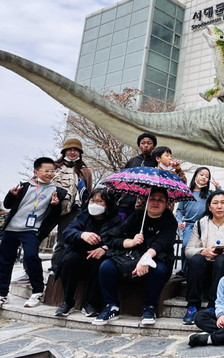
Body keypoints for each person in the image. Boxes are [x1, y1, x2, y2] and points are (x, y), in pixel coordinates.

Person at [93, 187, 176, 326]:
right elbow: (114, 238)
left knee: (159, 271)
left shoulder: (169, 221)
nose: (155, 202)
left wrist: (146, 259)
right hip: (129, 259)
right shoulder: (137, 216)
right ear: (146, 200)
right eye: (152, 199)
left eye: (160, 200)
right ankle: (112, 306)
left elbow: (161, 244)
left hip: (157, 259)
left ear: (166, 203)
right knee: (106, 267)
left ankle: (149, 307)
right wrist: (130, 242)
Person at [0, 157, 66, 308]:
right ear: (36, 172)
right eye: (46, 171)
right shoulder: (23, 187)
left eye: (52, 171)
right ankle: (2, 293)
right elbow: (8, 205)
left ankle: (37, 291)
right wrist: (11, 195)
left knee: (31, 257)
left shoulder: (56, 191)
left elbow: (55, 215)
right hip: (12, 228)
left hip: (31, 230)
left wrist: (55, 205)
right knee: (5, 261)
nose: (50, 174)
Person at [183, 190, 224, 325]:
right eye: (215, 203)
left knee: (222, 259)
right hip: (204, 272)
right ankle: (193, 306)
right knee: (196, 259)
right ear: (209, 207)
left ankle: (213, 305)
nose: (219, 206)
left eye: (223, 203)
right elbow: (188, 251)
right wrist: (203, 251)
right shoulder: (201, 224)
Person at [55, 188, 122, 317]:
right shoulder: (83, 216)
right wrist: (82, 234)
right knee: (69, 261)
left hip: (100, 255)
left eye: (99, 201)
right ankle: (67, 301)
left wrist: (104, 248)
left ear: (108, 204)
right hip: (79, 253)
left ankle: (90, 303)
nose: (95, 204)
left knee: (101, 265)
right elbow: (68, 232)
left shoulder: (116, 220)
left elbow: (117, 240)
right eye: (93, 200)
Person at [50, 138, 93, 274]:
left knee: (63, 240)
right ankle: (29, 271)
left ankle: (56, 268)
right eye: (70, 149)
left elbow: (88, 192)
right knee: (36, 237)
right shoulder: (54, 167)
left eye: (76, 150)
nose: (73, 152)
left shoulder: (84, 171)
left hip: (72, 209)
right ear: (64, 151)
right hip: (50, 207)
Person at [176, 166, 220, 276]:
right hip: (190, 225)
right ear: (195, 175)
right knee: (186, 245)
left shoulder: (209, 194)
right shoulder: (186, 192)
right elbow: (179, 210)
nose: (204, 177)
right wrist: (179, 221)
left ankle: (197, 270)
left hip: (204, 225)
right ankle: (184, 269)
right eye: (202, 174)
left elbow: (220, 200)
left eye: (207, 176)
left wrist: (218, 188)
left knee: (202, 248)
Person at [118, 133, 158, 219]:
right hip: (126, 201)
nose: (146, 145)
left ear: (154, 146)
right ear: (139, 146)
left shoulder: (156, 162)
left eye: (149, 143)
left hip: (144, 203)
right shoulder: (132, 161)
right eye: (143, 143)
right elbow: (123, 178)